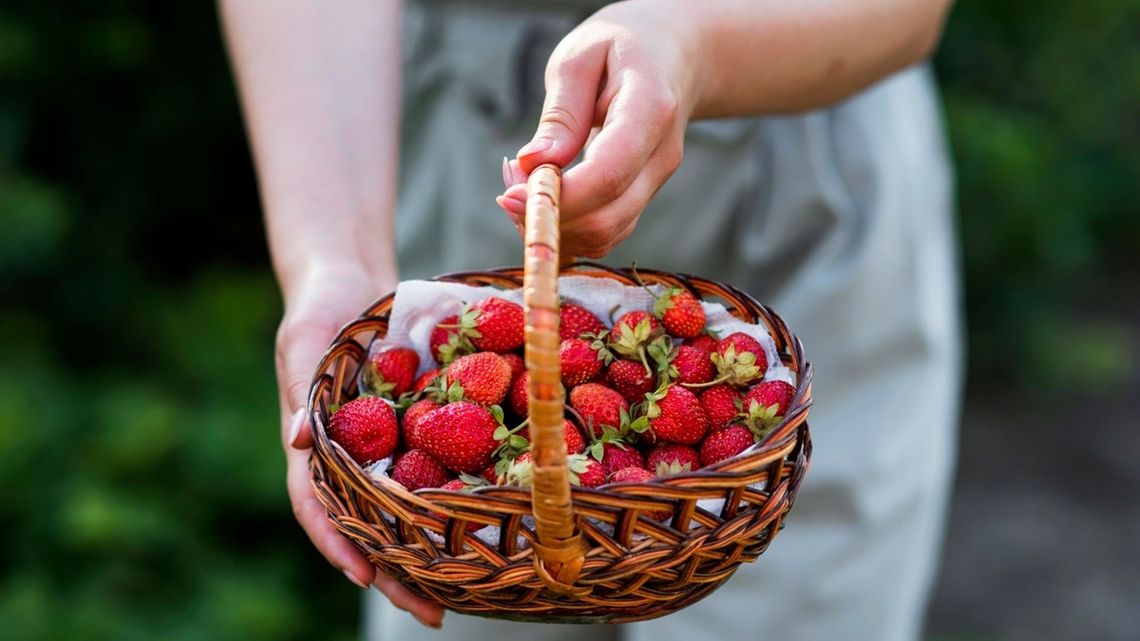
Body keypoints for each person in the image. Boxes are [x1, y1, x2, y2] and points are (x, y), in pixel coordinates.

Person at [220, 0, 962, 639]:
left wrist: (689, 40)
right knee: (466, 563)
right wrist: (335, 262)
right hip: (468, 159)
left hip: (802, 93)